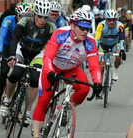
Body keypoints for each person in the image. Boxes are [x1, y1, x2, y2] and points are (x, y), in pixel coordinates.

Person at [32, 9, 102, 137]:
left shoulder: (90, 42)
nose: (85, 31)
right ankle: (36, 135)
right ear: (72, 25)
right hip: (53, 66)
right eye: (82, 28)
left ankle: (62, 109)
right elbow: (47, 56)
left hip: (71, 68)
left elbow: (94, 66)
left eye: (87, 28)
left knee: (84, 89)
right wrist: (50, 72)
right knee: (44, 99)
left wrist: (97, 82)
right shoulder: (60, 34)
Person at [4, 0, 56, 126]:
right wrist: (11, 56)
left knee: (35, 78)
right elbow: (15, 37)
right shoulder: (25, 19)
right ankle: (7, 99)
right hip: (21, 49)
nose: (42, 20)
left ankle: (27, 111)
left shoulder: (51, 24)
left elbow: (54, 44)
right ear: (34, 14)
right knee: (15, 73)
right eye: (39, 16)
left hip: (38, 53)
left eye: (45, 17)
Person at [0, 2, 31, 115]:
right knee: (4, 72)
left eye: (25, 17)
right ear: (16, 15)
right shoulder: (8, 20)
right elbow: (2, 36)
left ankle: (18, 96)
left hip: (21, 48)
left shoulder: (30, 23)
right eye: (20, 16)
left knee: (22, 73)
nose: (22, 19)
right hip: (7, 46)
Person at [95, 9, 126, 83]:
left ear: (116, 19)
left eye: (114, 20)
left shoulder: (120, 26)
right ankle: (100, 86)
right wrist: (95, 50)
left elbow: (122, 40)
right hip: (103, 46)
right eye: (109, 20)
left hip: (115, 45)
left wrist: (122, 49)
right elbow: (96, 39)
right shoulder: (101, 25)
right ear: (106, 19)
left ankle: (115, 70)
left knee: (119, 55)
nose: (111, 22)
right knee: (101, 67)